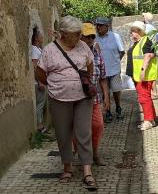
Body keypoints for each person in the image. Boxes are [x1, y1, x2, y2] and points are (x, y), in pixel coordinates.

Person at [36, 16, 97, 191]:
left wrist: (85, 83)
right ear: (62, 34)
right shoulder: (49, 50)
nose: (79, 36)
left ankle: (87, 171)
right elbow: (40, 73)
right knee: (63, 134)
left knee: (84, 133)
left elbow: (90, 66)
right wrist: (55, 85)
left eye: (80, 33)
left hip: (83, 98)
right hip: (59, 98)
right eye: (75, 34)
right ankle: (67, 168)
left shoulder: (83, 46)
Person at [74, 22, 109, 166]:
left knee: (98, 126)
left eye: (92, 36)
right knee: (78, 129)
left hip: (93, 98)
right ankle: (83, 156)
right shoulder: (73, 53)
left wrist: (107, 97)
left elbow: (102, 78)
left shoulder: (97, 54)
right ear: (80, 37)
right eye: (86, 36)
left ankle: (94, 154)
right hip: (76, 98)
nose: (90, 39)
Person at [126, 21, 158, 130]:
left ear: (139, 31)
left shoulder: (146, 41)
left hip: (143, 76)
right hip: (138, 76)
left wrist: (143, 70)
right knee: (145, 97)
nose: (131, 33)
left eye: (133, 31)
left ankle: (148, 120)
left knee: (144, 98)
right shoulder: (139, 42)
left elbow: (148, 56)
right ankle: (151, 118)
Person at [95, 17, 125, 123]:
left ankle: (118, 107)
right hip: (101, 71)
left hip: (114, 69)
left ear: (107, 26)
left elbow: (122, 51)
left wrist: (116, 61)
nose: (98, 27)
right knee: (104, 92)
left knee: (116, 90)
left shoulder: (115, 36)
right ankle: (107, 111)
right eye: (97, 25)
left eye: (100, 25)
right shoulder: (94, 38)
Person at [31, 27, 48, 133]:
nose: (43, 38)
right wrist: (40, 81)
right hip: (38, 82)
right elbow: (35, 67)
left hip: (41, 81)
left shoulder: (38, 49)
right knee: (40, 104)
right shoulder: (34, 50)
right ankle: (39, 126)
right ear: (37, 38)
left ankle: (41, 124)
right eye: (41, 36)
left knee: (42, 103)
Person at [142, 12, 158, 99]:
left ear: (145, 18)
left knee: (148, 73)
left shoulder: (146, 28)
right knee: (152, 73)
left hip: (147, 52)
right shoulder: (154, 28)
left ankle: (153, 92)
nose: (142, 17)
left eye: (143, 16)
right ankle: (154, 92)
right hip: (154, 51)